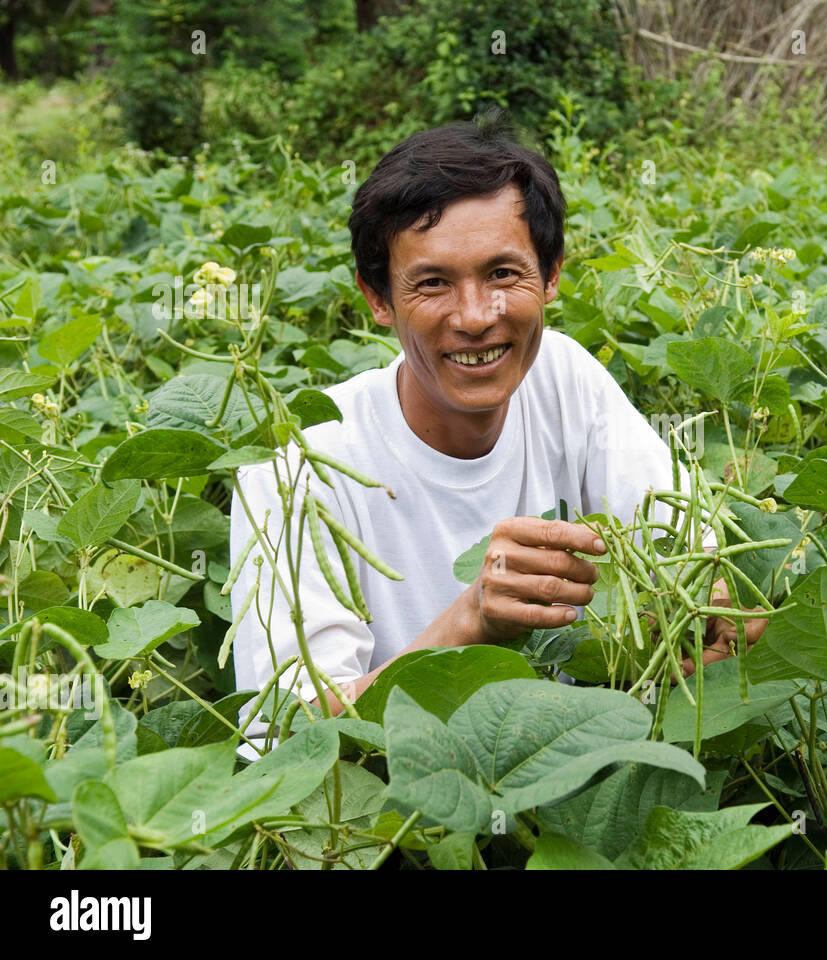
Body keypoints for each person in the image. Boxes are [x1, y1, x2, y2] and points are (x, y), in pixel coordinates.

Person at [229, 111, 766, 731]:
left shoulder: (562, 376)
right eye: (432, 283)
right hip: (397, 815)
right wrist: (469, 624)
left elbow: (696, 556)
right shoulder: (296, 465)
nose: (477, 316)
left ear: (552, 274)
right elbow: (283, 729)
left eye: (503, 274)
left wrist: (714, 607)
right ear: (377, 299)